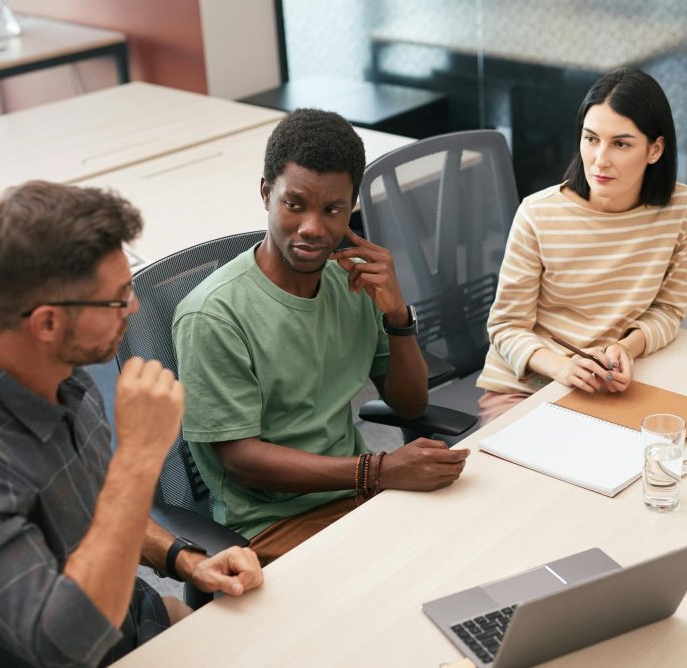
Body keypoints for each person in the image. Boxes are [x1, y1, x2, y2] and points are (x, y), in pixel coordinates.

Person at [0, 181, 263, 668]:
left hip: (129, 620)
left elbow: (101, 517)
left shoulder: (65, 377)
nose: (136, 308)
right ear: (46, 323)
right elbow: (64, 644)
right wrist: (140, 455)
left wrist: (185, 559)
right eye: (118, 298)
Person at [172, 108, 469, 566]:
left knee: (467, 552)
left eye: (332, 210)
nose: (313, 228)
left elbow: (410, 406)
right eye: (295, 205)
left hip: (360, 494)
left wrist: (396, 313)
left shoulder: (351, 283)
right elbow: (240, 459)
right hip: (272, 525)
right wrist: (377, 470)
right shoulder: (213, 314)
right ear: (267, 193)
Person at [475, 68, 687, 424]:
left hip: (613, 384)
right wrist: (563, 367)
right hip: (526, 389)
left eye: (621, 143)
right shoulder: (539, 214)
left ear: (655, 149)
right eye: (591, 139)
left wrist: (624, 348)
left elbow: (668, 311)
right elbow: (506, 327)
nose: (600, 159)